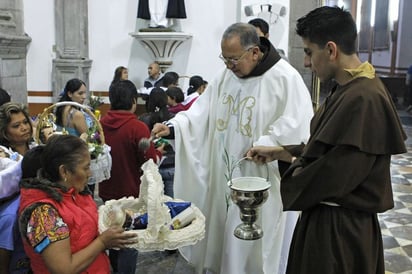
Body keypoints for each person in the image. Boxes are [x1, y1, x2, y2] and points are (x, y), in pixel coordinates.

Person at [246, 6, 407, 274]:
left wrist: (293, 174)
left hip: (340, 233)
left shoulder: (365, 98)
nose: (307, 62)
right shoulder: (349, 88)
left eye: (309, 52)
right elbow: (327, 150)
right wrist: (281, 152)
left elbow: (335, 175)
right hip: (328, 222)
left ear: (331, 50)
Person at [152, 22, 313, 274]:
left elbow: (299, 127)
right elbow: (201, 113)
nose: (228, 66)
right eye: (224, 59)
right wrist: (173, 127)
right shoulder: (227, 75)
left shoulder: (286, 79)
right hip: (224, 181)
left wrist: (269, 144)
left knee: (256, 251)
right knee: (226, 245)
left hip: (261, 182)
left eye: (233, 59)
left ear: (255, 52)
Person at [18, 135, 137, 273]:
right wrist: (102, 243)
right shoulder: (43, 213)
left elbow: (84, 230)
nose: (89, 173)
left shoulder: (74, 193)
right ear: (64, 171)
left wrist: (114, 220)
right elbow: (64, 269)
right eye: (85, 168)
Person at [99, 80, 163, 273]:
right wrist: (159, 152)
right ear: (134, 101)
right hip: (131, 194)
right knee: (129, 241)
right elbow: (149, 164)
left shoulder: (100, 124)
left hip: (106, 191)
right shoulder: (137, 127)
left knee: (111, 235)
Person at [139, 87, 175, 198]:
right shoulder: (173, 119)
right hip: (171, 165)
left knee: (152, 205)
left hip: (152, 167)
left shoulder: (143, 119)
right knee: (170, 204)